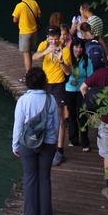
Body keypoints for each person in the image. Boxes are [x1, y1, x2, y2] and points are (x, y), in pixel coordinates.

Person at [12, 66, 59, 215]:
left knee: (30, 178)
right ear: (44, 82)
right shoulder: (51, 99)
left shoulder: (23, 100)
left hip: (27, 144)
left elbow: (18, 126)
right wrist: (53, 143)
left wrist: (15, 145)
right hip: (48, 143)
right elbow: (55, 125)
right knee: (44, 178)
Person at [81, 48, 108, 202]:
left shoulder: (101, 73)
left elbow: (83, 87)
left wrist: (91, 106)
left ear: (107, 58)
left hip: (106, 120)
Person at [32, 27, 71, 166]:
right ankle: (45, 144)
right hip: (45, 84)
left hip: (58, 85)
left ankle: (59, 150)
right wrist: (46, 51)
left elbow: (67, 72)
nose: (54, 40)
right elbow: (34, 57)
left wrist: (60, 61)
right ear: (48, 37)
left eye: (56, 38)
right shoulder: (44, 45)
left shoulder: (65, 50)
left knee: (60, 118)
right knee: (44, 114)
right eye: (51, 38)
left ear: (60, 37)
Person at [64, 37, 93, 151]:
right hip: (69, 90)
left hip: (82, 91)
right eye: (76, 47)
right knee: (71, 116)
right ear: (72, 48)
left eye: (81, 47)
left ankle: (85, 142)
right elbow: (65, 72)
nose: (79, 49)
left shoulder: (86, 60)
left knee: (82, 116)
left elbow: (90, 76)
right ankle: (73, 139)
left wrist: (88, 89)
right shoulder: (68, 58)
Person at [12, 0, 41, 81]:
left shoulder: (19, 6)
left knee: (26, 53)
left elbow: (14, 20)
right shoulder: (34, 2)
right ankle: (31, 72)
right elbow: (38, 15)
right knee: (30, 52)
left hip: (25, 33)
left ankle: (28, 75)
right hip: (34, 31)